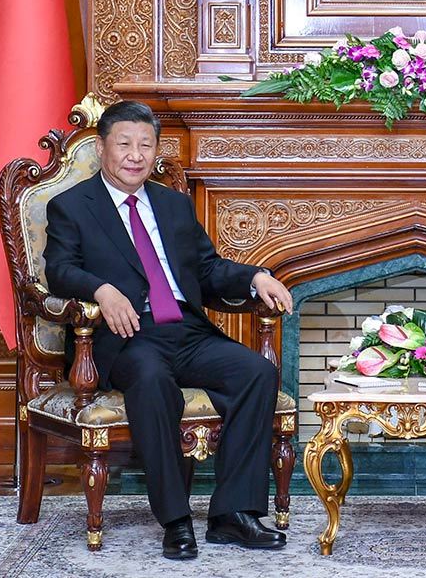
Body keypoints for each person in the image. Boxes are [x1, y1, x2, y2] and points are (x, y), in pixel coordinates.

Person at [43, 100, 294, 560]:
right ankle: (176, 519)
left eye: (146, 145)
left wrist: (255, 277)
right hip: (127, 335)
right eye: (124, 144)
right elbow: (58, 270)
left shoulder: (173, 204)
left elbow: (206, 268)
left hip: (186, 329)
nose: (135, 155)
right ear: (101, 148)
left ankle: (233, 514)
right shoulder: (72, 206)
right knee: (153, 381)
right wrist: (101, 289)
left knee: (255, 372)